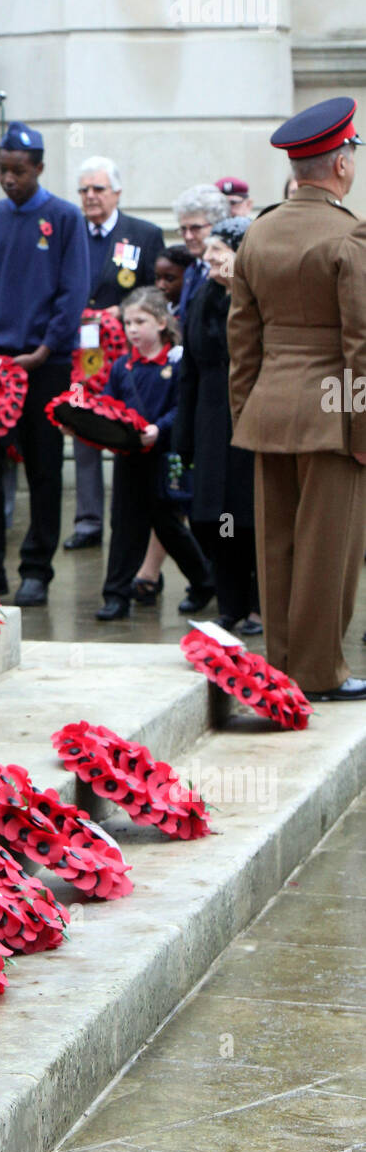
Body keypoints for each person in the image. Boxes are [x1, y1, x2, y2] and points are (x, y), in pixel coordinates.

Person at [228, 95, 366, 701]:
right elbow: (361, 347)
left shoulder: (257, 234)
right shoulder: (350, 236)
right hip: (333, 415)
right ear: (340, 164)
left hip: (269, 408)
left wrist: (244, 417)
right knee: (326, 550)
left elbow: (243, 343)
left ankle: (281, 664)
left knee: (277, 543)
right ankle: (318, 671)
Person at [0, 121, 90, 605]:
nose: (9, 179)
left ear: (38, 168)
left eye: (19, 170)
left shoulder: (63, 217)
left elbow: (73, 289)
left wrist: (46, 346)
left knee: (43, 468)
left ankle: (37, 569)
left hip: (45, 363)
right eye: (3, 171)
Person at [89, 288, 213, 621]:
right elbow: (108, 404)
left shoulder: (177, 363)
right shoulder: (120, 367)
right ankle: (116, 595)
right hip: (130, 457)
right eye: (128, 322)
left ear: (161, 323)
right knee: (125, 526)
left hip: (163, 457)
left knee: (168, 525)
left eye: (140, 321)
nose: (132, 328)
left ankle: (203, 580)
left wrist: (159, 429)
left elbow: (182, 407)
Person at [65, 156, 165, 552]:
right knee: (84, 426)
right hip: (83, 353)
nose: (90, 197)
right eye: (84, 190)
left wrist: (123, 312)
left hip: (130, 351)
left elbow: (158, 293)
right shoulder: (69, 231)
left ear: (117, 192)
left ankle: (139, 512)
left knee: (131, 426)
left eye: (98, 189)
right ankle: (88, 520)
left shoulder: (143, 233)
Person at [174, 217, 261, 632]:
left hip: (251, 416)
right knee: (215, 516)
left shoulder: (258, 298)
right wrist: (183, 439)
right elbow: (188, 369)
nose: (206, 257)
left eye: (217, 251)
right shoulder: (202, 298)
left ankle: (259, 606)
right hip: (210, 418)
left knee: (252, 514)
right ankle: (230, 603)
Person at [173, 183, 228, 327]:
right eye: (183, 229)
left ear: (217, 225)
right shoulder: (191, 270)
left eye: (195, 228)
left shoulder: (226, 269)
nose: (188, 236)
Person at [153, 244, 191, 315]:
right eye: (157, 278)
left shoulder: (192, 313)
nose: (160, 286)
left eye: (170, 279)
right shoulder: (158, 311)